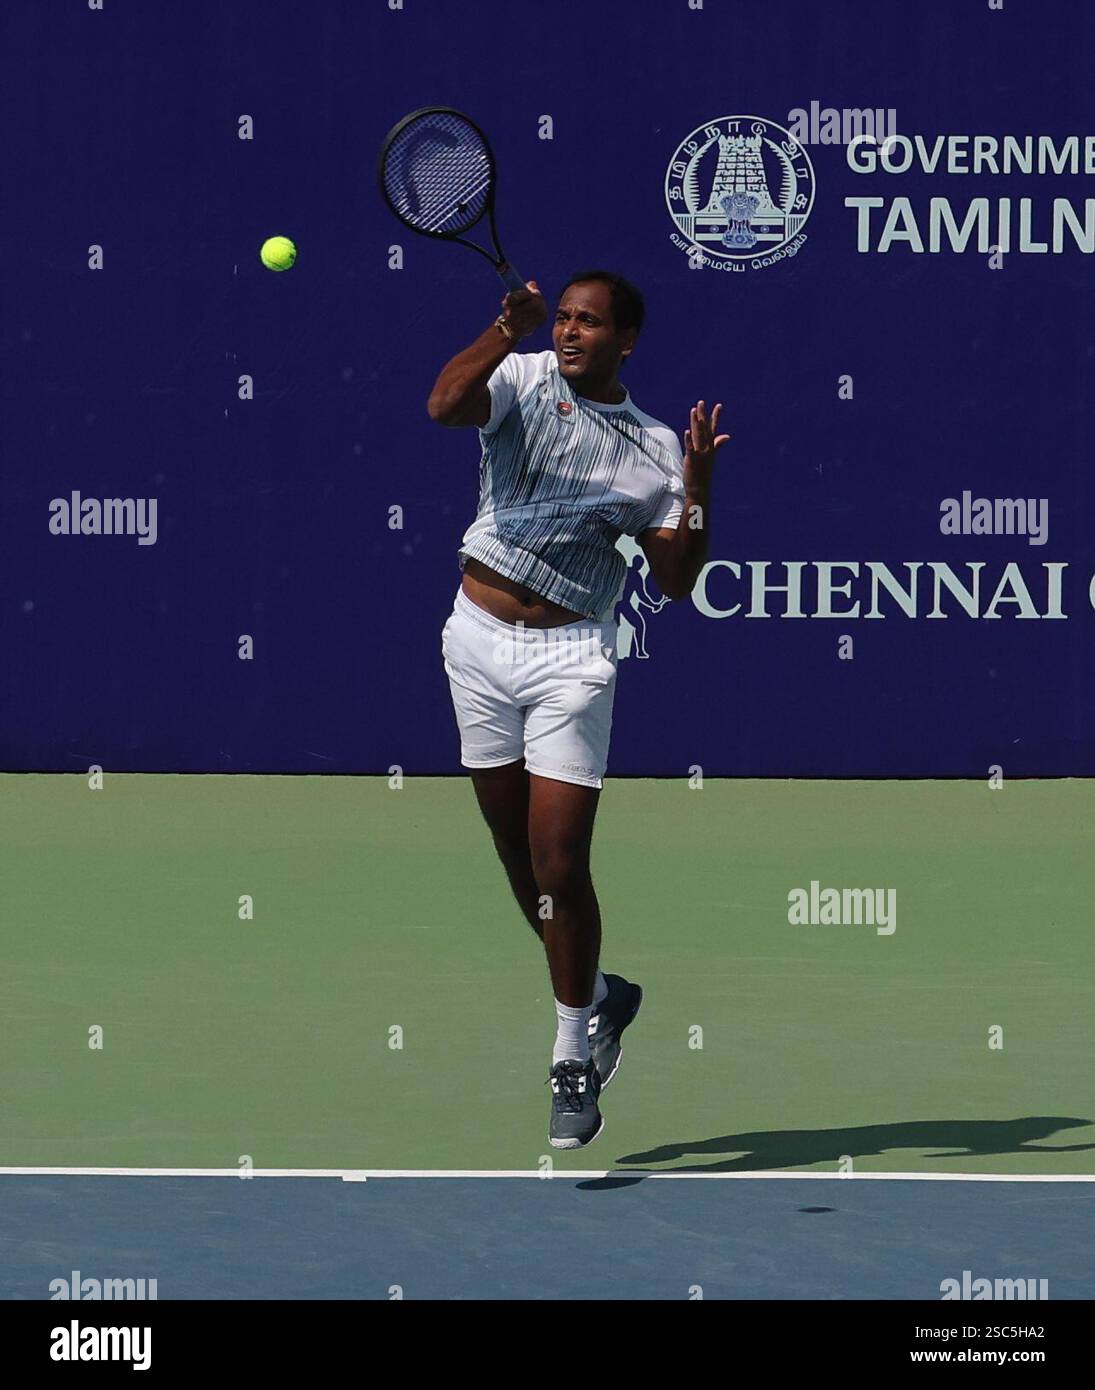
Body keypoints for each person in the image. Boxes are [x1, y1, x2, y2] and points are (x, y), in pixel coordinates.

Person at [428, 270, 728, 1148]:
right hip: (477, 642)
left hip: (572, 661)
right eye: (560, 317)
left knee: (559, 862)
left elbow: (673, 580)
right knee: (513, 851)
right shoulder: (517, 379)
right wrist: (501, 329)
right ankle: (601, 996)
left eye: (587, 322)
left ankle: (570, 1049)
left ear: (624, 340)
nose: (567, 332)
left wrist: (699, 479)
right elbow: (444, 405)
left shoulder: (651, 447)